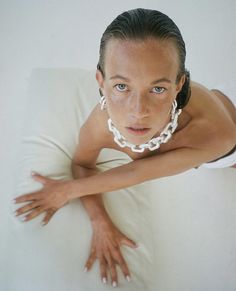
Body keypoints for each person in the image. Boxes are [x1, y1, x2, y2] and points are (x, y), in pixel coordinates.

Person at [13, 8, 236, 287]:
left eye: (157, 89)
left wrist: (66, 190)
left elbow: (137, 172)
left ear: (180, 84)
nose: (138, 111)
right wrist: (100, 222)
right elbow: (82, 164)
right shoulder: (100, 121)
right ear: (101, 82)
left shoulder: (217, 136)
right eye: (121, 86)